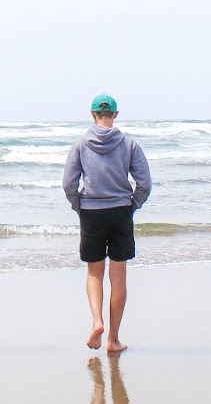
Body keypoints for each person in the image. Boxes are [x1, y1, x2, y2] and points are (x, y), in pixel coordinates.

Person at [62, 93, 151, 354]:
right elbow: (144, 183)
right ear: (115, 114)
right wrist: (133, 204)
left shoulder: (81, 144)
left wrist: (79, 205)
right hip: (120, 211)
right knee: (118, 276)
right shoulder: (129, 145)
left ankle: (97, 321)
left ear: (92, 115)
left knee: (94, 273)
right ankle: (113, 339)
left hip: (92, 212)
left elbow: (68, 183)